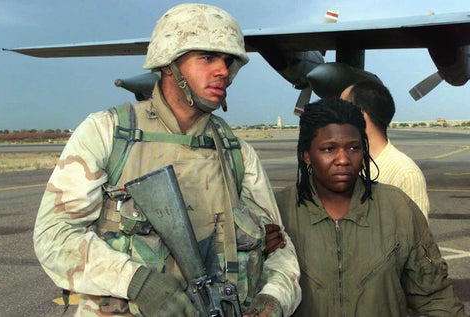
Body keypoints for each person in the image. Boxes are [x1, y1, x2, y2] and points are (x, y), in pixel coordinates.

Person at [34, 4, 300, 317]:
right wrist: (136, 283)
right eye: (207, 57)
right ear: (168, 63)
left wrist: (273, 300)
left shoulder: (237, 154)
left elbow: (280, 252)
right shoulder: (108, 134)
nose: (223, 71)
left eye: (227, 61)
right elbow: (54, 237)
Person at [276, 97, 467, 316]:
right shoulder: (278, 212)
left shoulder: (397, 208)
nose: (343, 159)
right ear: (307, 155)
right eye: (329, 149)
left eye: (353, 147)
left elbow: (435, 297)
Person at [340, 80, 430, 219]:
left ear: (360, 115)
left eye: (341, 108)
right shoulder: (342, 168)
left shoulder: (405, 175)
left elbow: (416, 238)